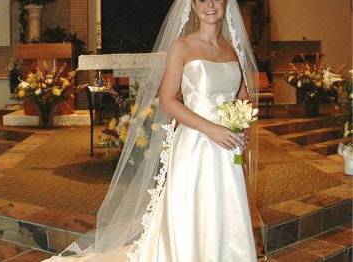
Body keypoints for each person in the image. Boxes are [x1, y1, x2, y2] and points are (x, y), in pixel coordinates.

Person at [43, 0, 260, 261]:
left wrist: (242, 124)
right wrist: (211, 129)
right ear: (192, 6)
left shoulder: (231, 49)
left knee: (227, 209)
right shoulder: (182, 46)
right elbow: (168, 100)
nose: (210, 5)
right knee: (194, 208)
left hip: (227, 148)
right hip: (196, 144)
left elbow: (243, 96)